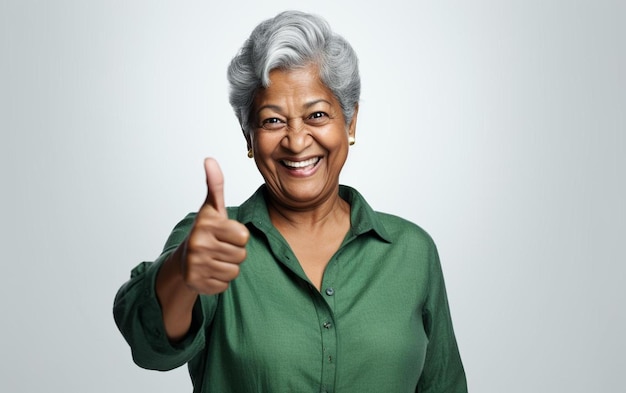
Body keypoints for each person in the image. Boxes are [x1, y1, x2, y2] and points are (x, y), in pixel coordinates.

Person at [114, 10, 467, 393]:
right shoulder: (213, 242)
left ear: (350, 123)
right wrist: (181, 274)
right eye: (272, 121)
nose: (297, 141)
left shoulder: (411, 253)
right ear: (248, 137)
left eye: (316, 115)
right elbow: (150, 349)